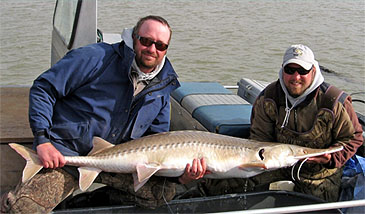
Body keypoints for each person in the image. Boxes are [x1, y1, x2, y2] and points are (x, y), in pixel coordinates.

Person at [1, 15, 206, 213]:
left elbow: (158, 142)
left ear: (166, 49)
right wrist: (43, 139)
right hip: (68, 156)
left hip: (118, 163)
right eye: (146, 41)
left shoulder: (164, 86)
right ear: (134, 38)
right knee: (22, 208)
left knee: (161, 193)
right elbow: (44, 88)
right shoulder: (95, 57)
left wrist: (180, 177)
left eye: (160, 45)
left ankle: (83, 205)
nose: (152, 49)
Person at [249, 44, 363, 202]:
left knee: (316, 207)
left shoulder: (333, 102)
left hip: (319, 174)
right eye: (290, 70)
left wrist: (331, 158)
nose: (296, 77)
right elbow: (258, 141)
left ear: (314, 71)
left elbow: (354, 137)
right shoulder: (268, 97)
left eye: (302, 71)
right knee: (220, 184)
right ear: (282, 70)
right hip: (277, 165)